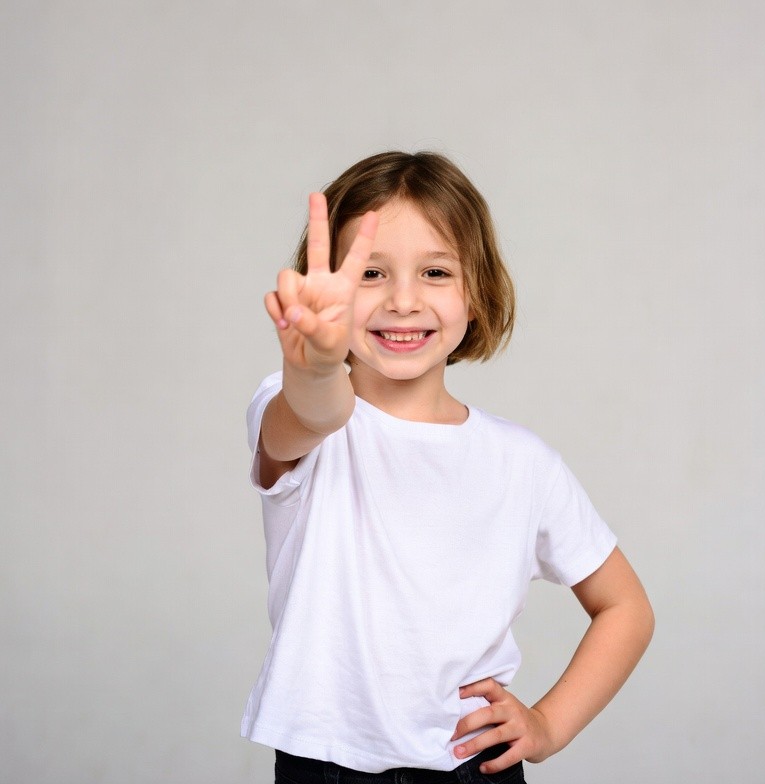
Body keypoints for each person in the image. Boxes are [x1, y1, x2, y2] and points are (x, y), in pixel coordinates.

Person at [242, 151, 654, 783]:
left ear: (477, 294)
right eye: (371, 273)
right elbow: (313, 412)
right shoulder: (298, 410)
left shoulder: (523, 464)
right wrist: (316, 364)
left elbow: (626, 607)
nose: (403, 301)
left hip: (472, 766)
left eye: (435, 272)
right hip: (326, 764)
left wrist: (547, 724)